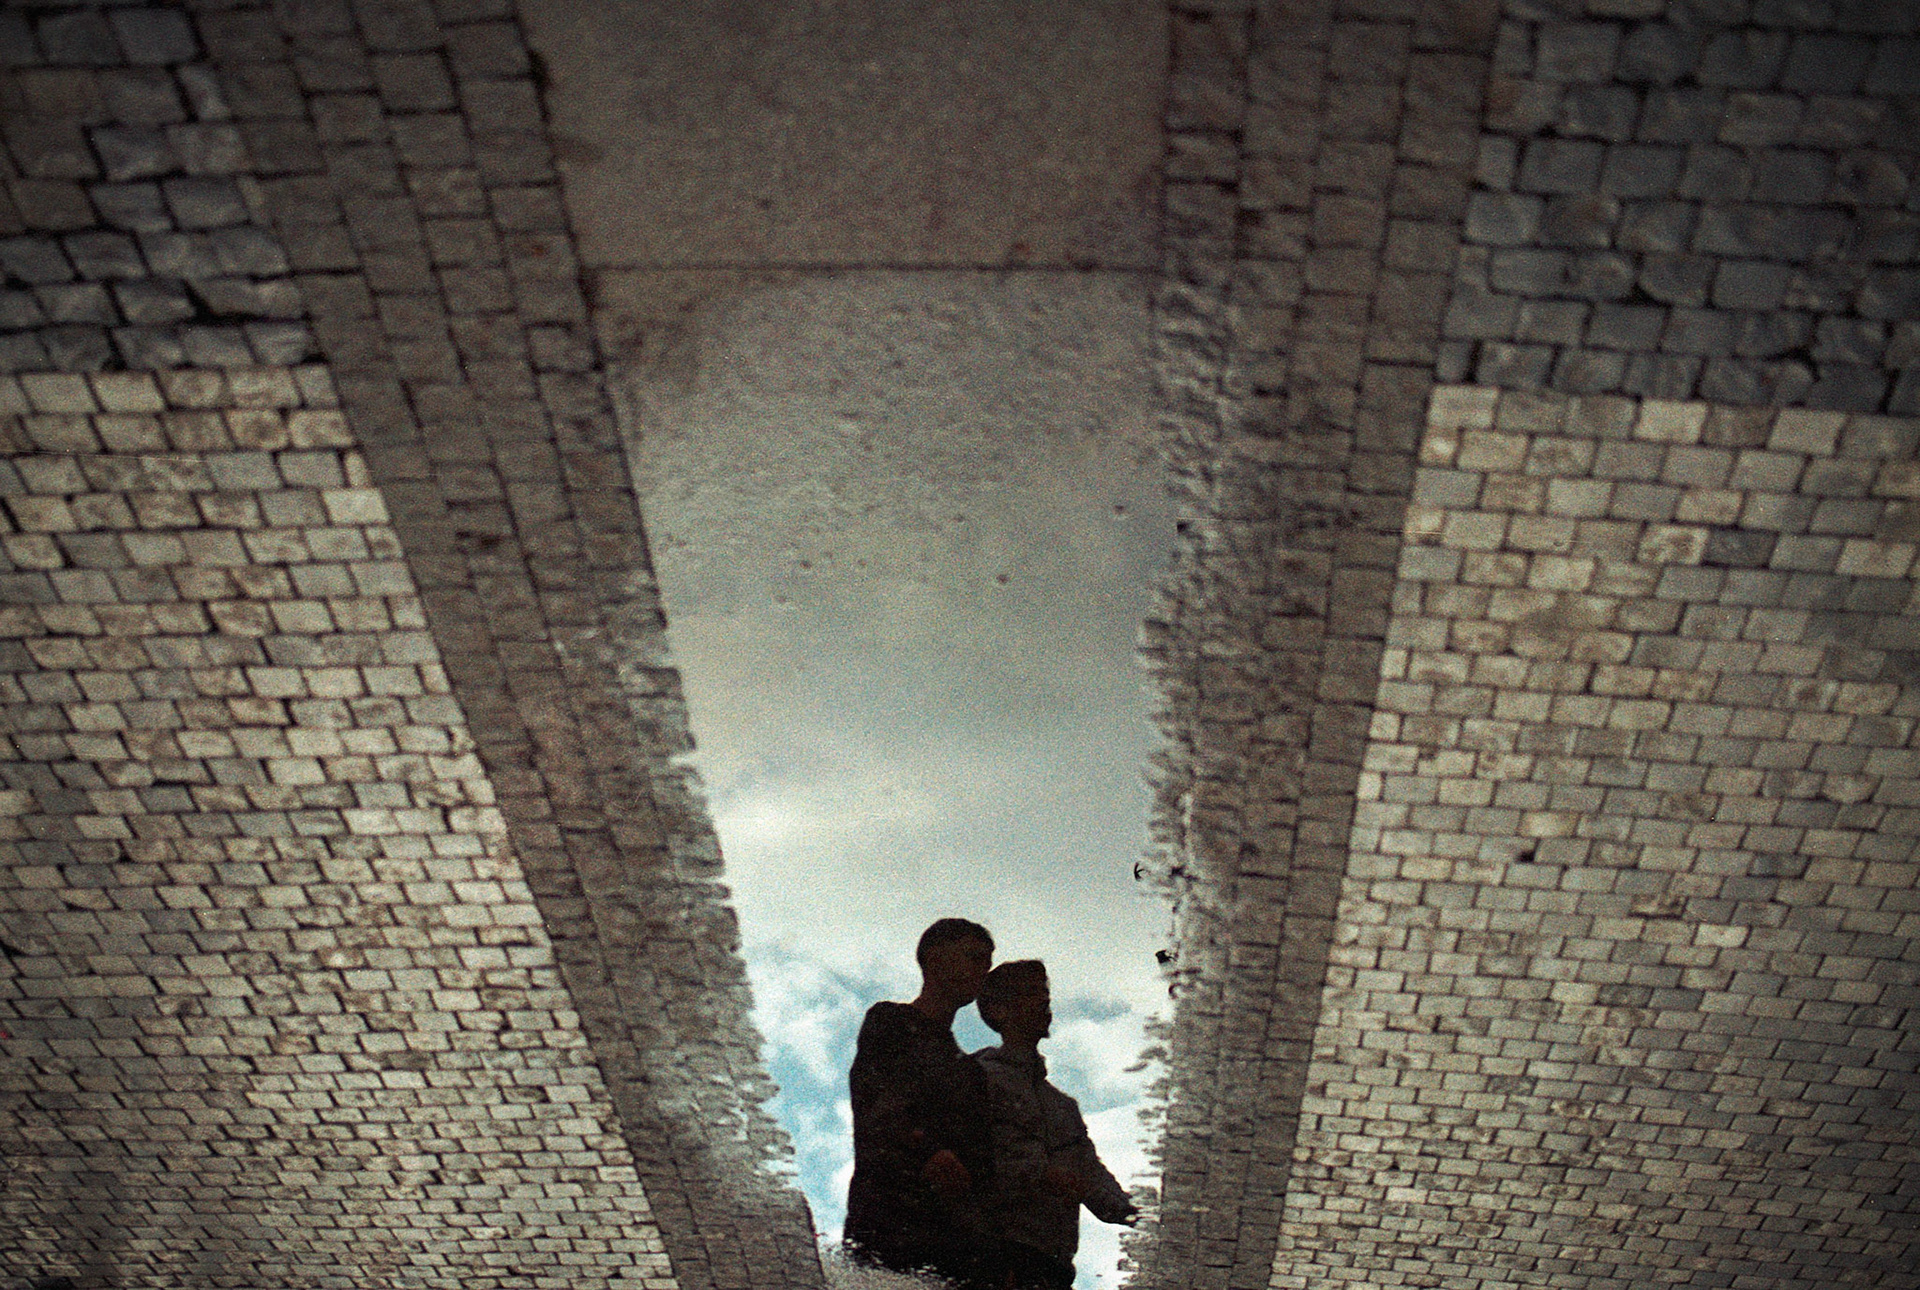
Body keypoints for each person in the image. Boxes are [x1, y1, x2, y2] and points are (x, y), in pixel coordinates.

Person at [845, 918, 997, 1286]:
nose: (982, 972)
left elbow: (981, 1165)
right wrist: (928, 1151)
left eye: (987, 963)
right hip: (887, 1224)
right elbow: (875, 1099)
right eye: (973, 957)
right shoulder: (891, 1021)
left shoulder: (971, 1072)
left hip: (952, 1246)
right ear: (935, 957)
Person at [972, 960, 1136, 1290]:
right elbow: (973, 1157)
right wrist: (1041, 1173)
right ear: (998, 1010)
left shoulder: (1063, 1107)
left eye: (1045, 992)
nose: (1044, 1001)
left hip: (1053, 1269)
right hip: (994, 1259)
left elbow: (1092, 1177)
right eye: (1031, 993)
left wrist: (1144, 1216)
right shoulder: (977, 1077)